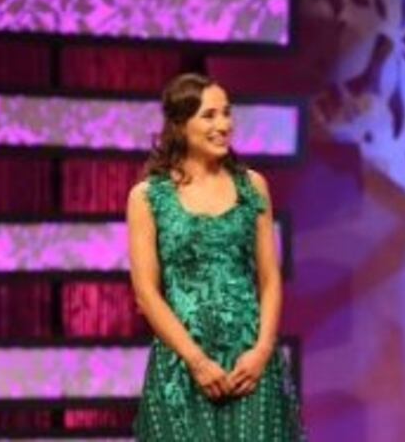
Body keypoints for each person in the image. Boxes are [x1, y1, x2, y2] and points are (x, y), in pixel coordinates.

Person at [127, 73, 304, 441]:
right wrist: (196, 360)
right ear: (180, 124)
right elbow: (146, 292)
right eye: (209, 115)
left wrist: (261, 352)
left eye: (226, 113)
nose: (223, 125)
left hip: (248, 365)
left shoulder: (252, 186)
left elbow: (270, 279)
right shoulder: (147, 197)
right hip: (182, 365)